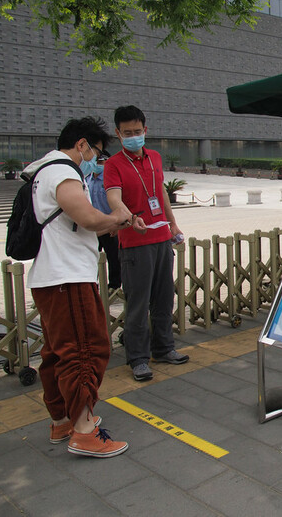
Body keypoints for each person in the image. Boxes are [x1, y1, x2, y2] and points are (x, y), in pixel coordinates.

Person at [25, 116, 140, 458]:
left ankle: (62, 419)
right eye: (96, 152)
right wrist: (117, 220)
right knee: (84, 349)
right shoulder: (62, 170)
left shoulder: (41, 171)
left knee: (57, 352)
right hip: (67, 278)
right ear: (81, 145)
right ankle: (86, 431)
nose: (96, 160)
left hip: (52, 277)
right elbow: (87, 218)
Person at [103, 105, 190, 382]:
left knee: (165, 298)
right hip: (134, 242)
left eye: (137, 131)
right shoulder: (113, 164)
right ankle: (138, 358)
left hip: (162, 238)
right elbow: (113, 198)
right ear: (118, 133)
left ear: (145, 131)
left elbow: (161, 192)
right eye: (127, 133)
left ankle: (164, 348)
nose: (133, 136)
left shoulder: (154, 157)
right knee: (138, 304)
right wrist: (129, 219)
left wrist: (172, 223)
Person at [87, 150, 122, 290]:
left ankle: (114, 286)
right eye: (96, 161)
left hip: (109, 225)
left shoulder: (110, 180)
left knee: (113, 257)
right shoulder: (88, 179)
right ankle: (91, 285)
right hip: (93, 226)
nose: (98, 164)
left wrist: (116, 225)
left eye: (102, 161)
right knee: (91, 257)